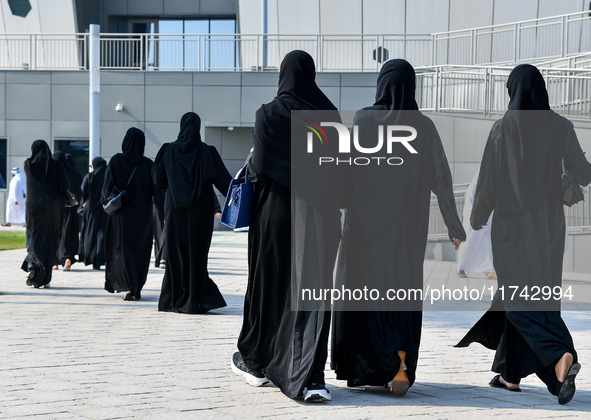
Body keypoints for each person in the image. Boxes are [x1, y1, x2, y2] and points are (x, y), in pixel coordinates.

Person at [455, 64, 591, 405]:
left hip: (511, 230)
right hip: (549, 230)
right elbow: (584, 174)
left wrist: (476, 219)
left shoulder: (503, 128)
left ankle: (560, 353)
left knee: (518, 300)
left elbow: (488, 181)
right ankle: (510, 374)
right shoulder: (561, 126)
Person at [330, 59, 465, 397]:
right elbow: (443, 181)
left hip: (364, 231)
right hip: (407, 234)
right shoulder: (424, 126)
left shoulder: (363, 119)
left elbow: (343, 172)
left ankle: (375, 367)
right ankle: (401, 365)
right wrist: (454, 227)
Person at [232, 50, 344, 402]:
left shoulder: (268, 113)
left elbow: (261, 167)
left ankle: (259, 362)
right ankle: (310, 373)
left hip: (276, 213)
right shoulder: (330, 116)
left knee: (270, 286)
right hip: (321, 216)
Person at [153, 112, 231, 313]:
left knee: (175, 253)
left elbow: (158, 180)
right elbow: (224, 182)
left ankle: (173, 299)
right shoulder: (207, 152)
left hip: (175, 210)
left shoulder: (168, 151)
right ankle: (195, 299)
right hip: (201, 211)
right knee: (197, 253)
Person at [102, 128, 155, 301]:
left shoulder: (116, 161)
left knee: (121, 250)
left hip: (121, 215)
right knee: (139, 251)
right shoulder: (148, 165)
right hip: (143, 216)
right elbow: (157, 191)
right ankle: (136, 286)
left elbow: (106, 189)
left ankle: (126, 285)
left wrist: (105, 200)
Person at [21, 140, 68, 288]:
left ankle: (36, 272)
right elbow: (64, 186)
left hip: (34, 209)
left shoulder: (28, 165)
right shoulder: (57, 165)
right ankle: (46, 277)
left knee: (35, 240)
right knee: (50, 240)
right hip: (53, 208)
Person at [457, 171, 496, 279]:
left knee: (486, 241)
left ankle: (489, 269)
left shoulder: (490, 185)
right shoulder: (473, 187)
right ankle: (460, 267)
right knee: (469, 241)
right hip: (473, 217)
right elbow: (471, 204)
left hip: (486, 218)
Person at [53, 151, 83, 271]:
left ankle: (54, 261)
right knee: (69, 231)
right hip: (71, 207)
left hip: (56, 207)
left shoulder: (54, 172)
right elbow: (80, 190)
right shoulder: (74, 173)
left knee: (55, 231)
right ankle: (67, 258)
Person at [80, 157, 109, 270]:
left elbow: (84, 193)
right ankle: (101, 258)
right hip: (105, 207)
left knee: (90, 233)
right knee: (103, 233)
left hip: (90, 207)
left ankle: (90, 257)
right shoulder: (107, 177)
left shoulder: (89, 177)